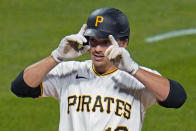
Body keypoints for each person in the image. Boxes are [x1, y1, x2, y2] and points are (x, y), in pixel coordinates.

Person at [11, 8, 186, 131]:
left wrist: (134, 70)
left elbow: (176, 98)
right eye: (93, 41)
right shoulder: (68, 71)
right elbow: (21, 87)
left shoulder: (138, 78)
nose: (97, 49)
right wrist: (56, 56)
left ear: (123, 43)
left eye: (105, 42)